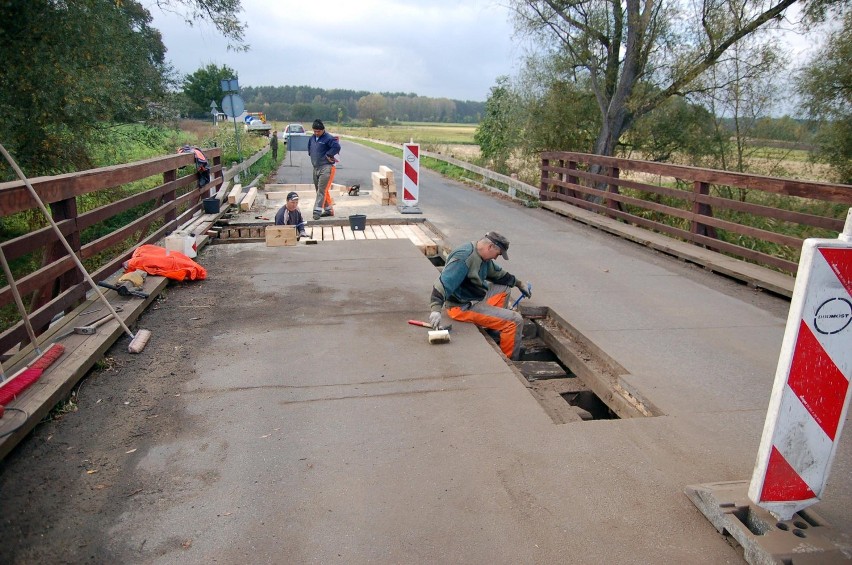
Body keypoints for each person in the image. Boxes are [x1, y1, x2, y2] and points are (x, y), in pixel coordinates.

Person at [429, 232, 532, 360]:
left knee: (504, 288)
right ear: (490, 247)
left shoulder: (482, 256)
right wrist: (435, 310)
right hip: (461, 307)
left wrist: (519, 284)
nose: (496, 258)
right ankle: (509, 360)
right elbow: (443, 283)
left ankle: (494, 331)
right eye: (498, 254)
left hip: (473, 298)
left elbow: (499, 274)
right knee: (515, 321)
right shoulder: (464, 258)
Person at [307, 119, 341, 220]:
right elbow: (309, 148)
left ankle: (316, 211)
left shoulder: (329, 138)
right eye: (315, 131)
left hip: (326, 167)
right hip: (316, 167)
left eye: (318, 131)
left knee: (321, 190)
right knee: (319, 190)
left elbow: (337, 147)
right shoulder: (312, 138)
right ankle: (329, 210)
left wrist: (329, 154)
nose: (316, 133)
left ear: (323, 130)